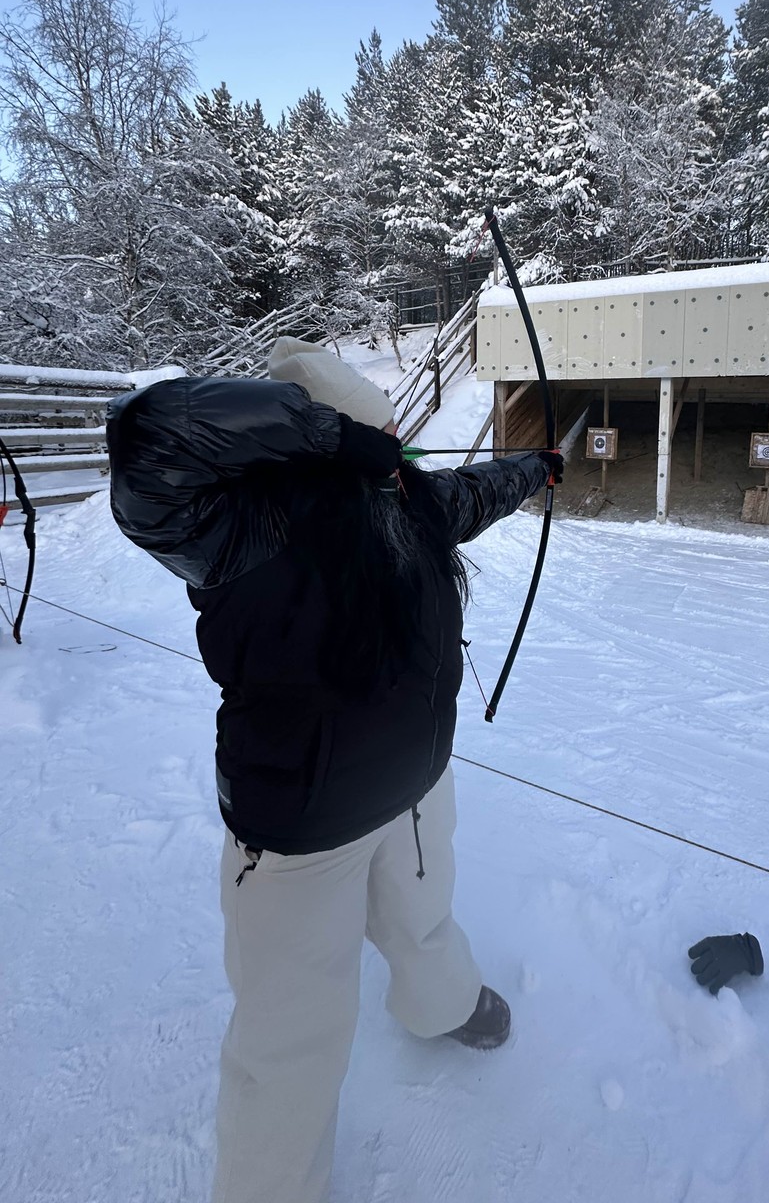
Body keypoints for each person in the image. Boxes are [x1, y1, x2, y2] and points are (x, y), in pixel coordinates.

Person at [105, 336, 562, 1203]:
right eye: (376, 437)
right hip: (301, 832)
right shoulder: (239, 527)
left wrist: (534, 470)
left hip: (414, 792)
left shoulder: (408, 502)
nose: (396, 452)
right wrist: (325, 434)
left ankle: (443, 1005)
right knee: (291, 1034)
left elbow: (475, 491)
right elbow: (148, 433)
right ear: (327, 441)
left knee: (423, 922)